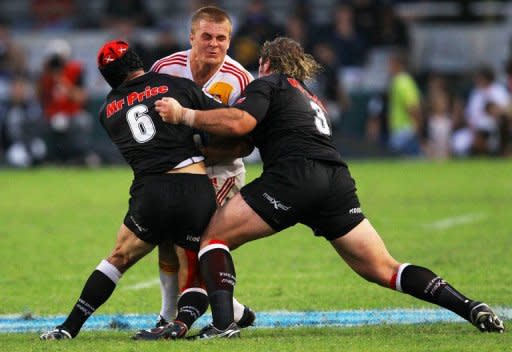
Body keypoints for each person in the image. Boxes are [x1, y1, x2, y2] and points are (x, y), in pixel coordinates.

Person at [155, 37, 505, 338]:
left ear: (266, 63)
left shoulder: (268, 83)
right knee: (384, 268)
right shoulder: (309, 96)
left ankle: (222, 325)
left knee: (213, 238)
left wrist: (185, 116)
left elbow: (241, 122)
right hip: (335, 181)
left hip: (293, 177)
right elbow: (249, 140)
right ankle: (470, 306)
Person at [39, 39, 227, 340]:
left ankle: (68, 327)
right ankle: (181, 322)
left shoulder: (107, 112)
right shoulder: (175, 85)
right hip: (192, 184)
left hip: (150, 192)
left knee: (118, 257)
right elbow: (221, 119)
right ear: (137, 59)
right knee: (192, 268)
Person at [147, 6, 255, 330]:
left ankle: (183, 317)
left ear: (229, 41)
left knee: (193, 240)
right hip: (175, 169)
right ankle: (202, 311)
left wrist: (202, 151)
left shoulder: (239, 80)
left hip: (220, 171)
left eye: (221, 38)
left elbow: (247, 144)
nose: (214, 44)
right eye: (206, 36)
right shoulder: (164, 69)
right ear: (191, 36)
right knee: (164, 237)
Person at [387, 49, 424, 156]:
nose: (389, 68)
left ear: (398, 65)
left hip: (405, 129)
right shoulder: (399, 81)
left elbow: (412, 106)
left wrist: (417, 127)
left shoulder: (403, 82)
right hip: (401, 128)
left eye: (391, 64)